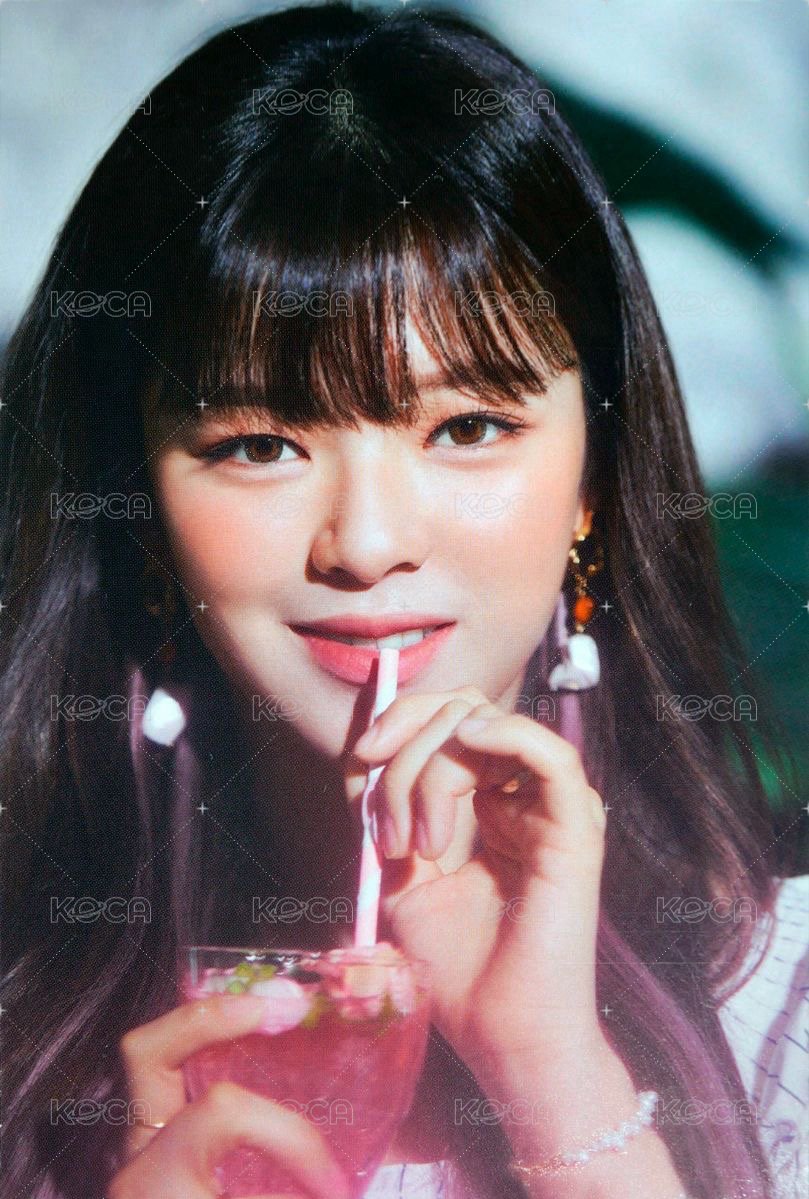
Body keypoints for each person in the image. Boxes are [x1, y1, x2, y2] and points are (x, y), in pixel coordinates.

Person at [1, 4, 805, 1198]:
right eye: (260, 443)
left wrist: (555, 1081)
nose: (368, 543)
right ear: (139, 503)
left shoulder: (783, 1010)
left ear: (591, 481)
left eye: (466, 427)